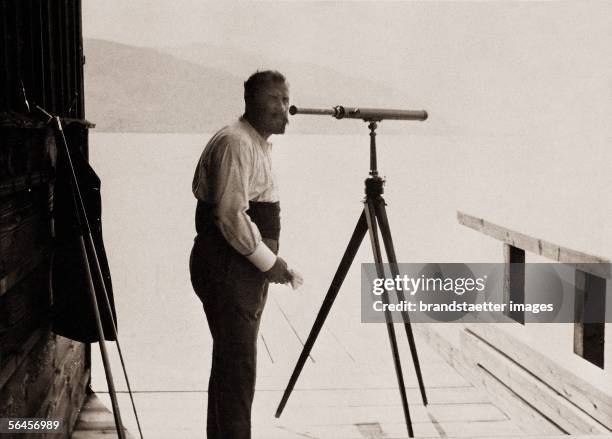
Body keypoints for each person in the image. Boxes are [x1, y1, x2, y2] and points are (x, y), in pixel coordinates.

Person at [189, 70, 301, 439]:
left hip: (241, 269)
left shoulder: (256, 143)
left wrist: (267, 267)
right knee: (238, 369)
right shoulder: (236, 143)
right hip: (226, 266)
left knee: (230, 365)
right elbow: (229, 215)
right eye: (273, 100)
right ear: (250, 102)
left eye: (285, 100)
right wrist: (271, 264)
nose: (282, 109)